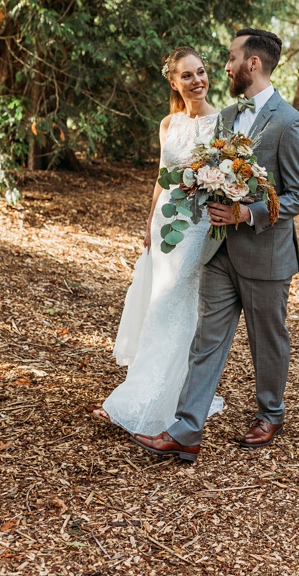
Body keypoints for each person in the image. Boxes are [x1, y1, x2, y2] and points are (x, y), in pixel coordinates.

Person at [129, 28, 299, 463]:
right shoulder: (226, 118)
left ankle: (271, 413)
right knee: (206, 339)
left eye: (231, 58)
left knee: (267, 340)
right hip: (217, 250)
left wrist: (248, 213)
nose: (225, 66)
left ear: (252, 64)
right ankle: (187, 430)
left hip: (266, 254)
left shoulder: (291, 123)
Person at [93, 47, 225, 435]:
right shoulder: (167, 124)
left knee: (173, 303)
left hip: (198, 226)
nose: (197, 80)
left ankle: (146, 401)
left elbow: (229, 179)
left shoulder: (224, 125)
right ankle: (167, 389)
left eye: (201, 72)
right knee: (159, 303)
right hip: (167, 224)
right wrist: (151, 218)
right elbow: (162, 175)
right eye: (187, 75)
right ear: (173, 82)